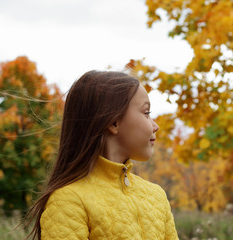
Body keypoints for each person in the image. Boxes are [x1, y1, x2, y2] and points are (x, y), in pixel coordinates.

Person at [25, 70, 179, 240]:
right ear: (114, 123)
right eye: (146, 113)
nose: (155, 125)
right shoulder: (68, 200)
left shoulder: (156, 196)